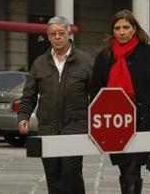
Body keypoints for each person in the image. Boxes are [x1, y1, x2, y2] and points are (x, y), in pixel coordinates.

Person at [89, 9, 150, 194]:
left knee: (133, 167)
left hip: (143, 120)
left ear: (134, 29)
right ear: (112, 31)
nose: (121, 32)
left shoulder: (149, 52)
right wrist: (98, 119)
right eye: (117, 28)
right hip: (115, 122)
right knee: (125, 167)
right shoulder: (105, 56)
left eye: (126, 27)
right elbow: (95, 91)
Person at [17, 16, 93, 194]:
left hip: (75, 127)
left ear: (69, 34)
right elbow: (29, 95)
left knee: (71, 171)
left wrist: (97, 123)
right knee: (53, 174)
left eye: (61, 33)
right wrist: (23, 117)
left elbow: (97, 95)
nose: (57, 37)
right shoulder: (39, 63)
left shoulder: (86, 61)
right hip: (48, 127)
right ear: (48, 37)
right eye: (53, 34)